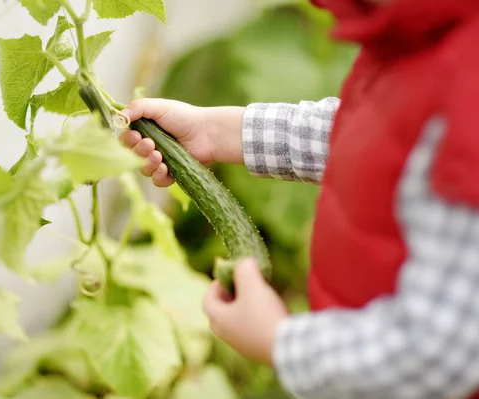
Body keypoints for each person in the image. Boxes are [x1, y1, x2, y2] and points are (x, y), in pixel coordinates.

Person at [120, 0, 479, 397]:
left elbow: (440, 353)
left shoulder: (468, 95)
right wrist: (217, 131)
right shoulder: (425, 40)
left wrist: (281, 342)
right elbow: (376, 133)